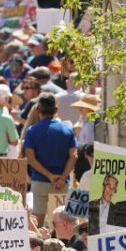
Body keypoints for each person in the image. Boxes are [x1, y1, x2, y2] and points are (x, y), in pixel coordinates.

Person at [24, 93, 78, 227]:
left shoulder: (32, 131)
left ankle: (39, 246)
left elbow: (30, 159)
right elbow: (74, 156)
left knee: (38, 221)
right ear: (56, 110)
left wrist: (49, 176)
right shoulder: (67, 130)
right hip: (61, 183)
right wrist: (61, 177)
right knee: (62, 221)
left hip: (40, 181)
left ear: (37, 110)